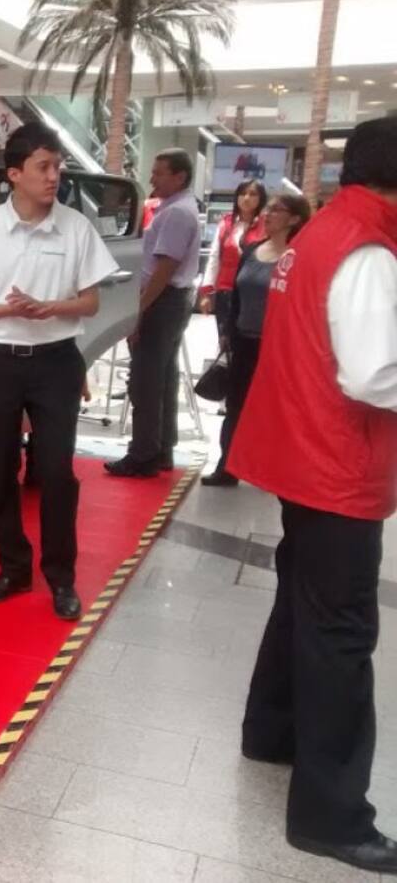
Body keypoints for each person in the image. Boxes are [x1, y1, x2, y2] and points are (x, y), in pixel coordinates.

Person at [228, 117, 397, 874]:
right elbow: (372, 373)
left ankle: (271, 734)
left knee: (300, 603)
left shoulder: (325, 230)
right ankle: (331, 816)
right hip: (336, 463)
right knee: (341, 636)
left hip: (301, 450)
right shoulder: (368, 249)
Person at [0, 122, 118, 621]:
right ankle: (13, 568)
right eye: (43, 167)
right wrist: (9, 311)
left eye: (58, 166)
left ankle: (61, 576)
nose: (54, 176)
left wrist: (50, 307)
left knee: (56, 473)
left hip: (56, 362)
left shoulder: (75, 228)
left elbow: (91, 302)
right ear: (14, 174)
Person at [202, 193, 310, 487]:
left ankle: (271, 468)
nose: (268, 214)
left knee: (273, 411)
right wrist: (228, 331)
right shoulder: (251, 250)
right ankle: (228, 466)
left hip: (277, 347)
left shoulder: (298, 255)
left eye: (277, 210)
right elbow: (237, 296)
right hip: (243, 341)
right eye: (269, 209)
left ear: (295, 218)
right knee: (235, 407)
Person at [105, 149, 202, 478]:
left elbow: (164, 269)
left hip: (163, 300)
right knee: (163, 377)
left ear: (180, 176)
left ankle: (143, 453)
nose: (152, 179)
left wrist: (138, 310)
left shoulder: (177, 214)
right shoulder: (177, 208)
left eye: (159, 173)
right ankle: (160, 448)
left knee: (146, 379)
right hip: (172, 299)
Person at [199, 180, 267, 336]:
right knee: (225, 337)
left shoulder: (267, 225)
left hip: (253, 293)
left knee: (248, 340)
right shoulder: (227, 223)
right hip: (226, 290)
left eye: (253, 194)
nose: (246, 198)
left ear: (261, 198)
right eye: (242, 193)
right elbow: (214, 258)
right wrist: (206, 292)